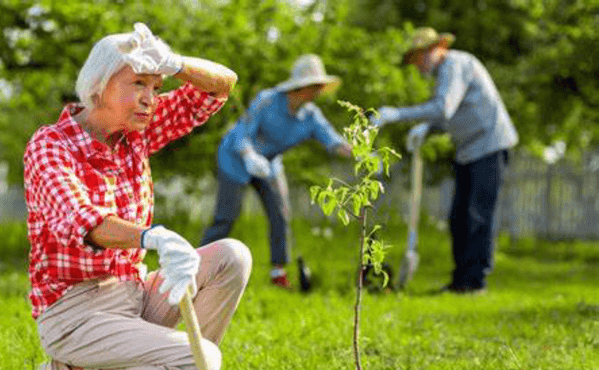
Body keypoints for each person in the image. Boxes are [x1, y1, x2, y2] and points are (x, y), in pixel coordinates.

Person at [23, 23, 248, 370]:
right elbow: (85, 222)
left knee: (233, 255)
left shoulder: (135, 133)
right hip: (74, 313)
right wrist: (152, 236)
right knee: (204, 359)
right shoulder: (50, 145)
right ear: (98, 85)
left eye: (156, 86)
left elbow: (220, 87)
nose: (150, 99)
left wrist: (176, 63)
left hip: (132, 292)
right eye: (138, 83)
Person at [371, 27, 518, 294]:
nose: (417, 66)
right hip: (469, 149)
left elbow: (443, 108)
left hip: (490, 145)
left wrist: (397, 114)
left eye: (419, 59)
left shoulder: (455, 63)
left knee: (477, 215)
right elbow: (450, 112)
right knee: (459, 217)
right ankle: (461, 280)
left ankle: (475, 282)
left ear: (435, 49)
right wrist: (428, 128)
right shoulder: (445, 71)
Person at [199, 54, 353, 289]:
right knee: (227, 216)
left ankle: (278, 273)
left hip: (269, 165)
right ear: (302, 87)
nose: (319, 91)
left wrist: (362, 154)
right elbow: (242, 132)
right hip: (236, 157)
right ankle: (196, 266)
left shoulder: (311, 116)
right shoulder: (267, 100)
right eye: (316, 86)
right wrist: (250, 155)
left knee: (281, 213)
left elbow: (333, 142)